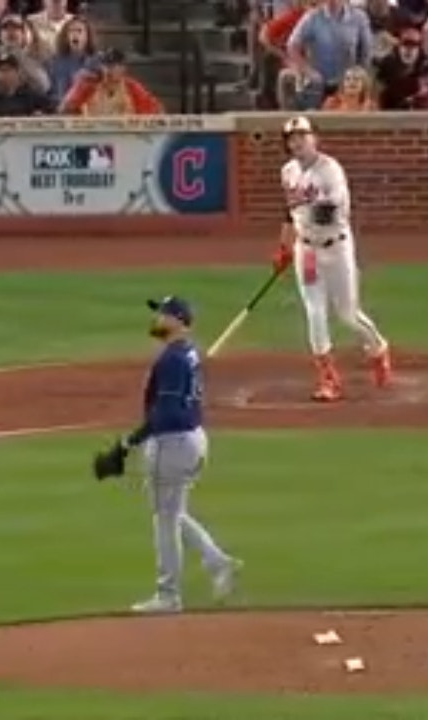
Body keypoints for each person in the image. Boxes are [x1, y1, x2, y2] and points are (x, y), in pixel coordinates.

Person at [91, 296, 242, 614]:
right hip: (193, 439)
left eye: (163, 314)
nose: (157, 318)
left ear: (177, 320)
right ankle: (218, 562)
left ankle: (169, 594)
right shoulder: (185, 354)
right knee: (173, 512)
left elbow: (165, 413)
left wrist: (126, 445)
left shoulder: (173, 360)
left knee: (164, 519)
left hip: (173, 442)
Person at [273, 115, 393, 402]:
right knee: (315, 312)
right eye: (292, 138)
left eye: (303, 136)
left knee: (348, 313)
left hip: (336, 248)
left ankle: (378, 348)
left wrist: (305, 205)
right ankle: (328, 378)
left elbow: (328, 212)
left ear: (315, 138)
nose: (297, 142)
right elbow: (289, 212)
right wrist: (284, 246)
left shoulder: (331, 171)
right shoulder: (288, 172)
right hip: (308, 251)